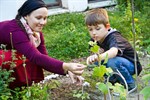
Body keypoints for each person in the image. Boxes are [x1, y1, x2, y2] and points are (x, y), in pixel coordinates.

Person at [0, 0, 86, 89]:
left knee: (27, 55)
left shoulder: (35, 32)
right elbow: (36, 57)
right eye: (38, 18)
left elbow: (43, 57)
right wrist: (67, 65)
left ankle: (17, 88)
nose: (43, 22)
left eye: (45, 18)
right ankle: (8, 87)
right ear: (26, 16)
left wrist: (67, 71)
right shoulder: (15, 31)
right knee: (22, 56)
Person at [85, 8, 142, 93]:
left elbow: (114, 51)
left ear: (107, 27)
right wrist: (92, 57)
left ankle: (130, 84)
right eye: (90, 29)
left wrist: (99, 56)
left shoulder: (114, 37)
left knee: (112, 61)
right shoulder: (94, 39)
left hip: (130, 65)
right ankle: (112, 80)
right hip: (116, 64)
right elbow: (93, 52)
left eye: (97, 29)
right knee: (97, 62)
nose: (94, 33)